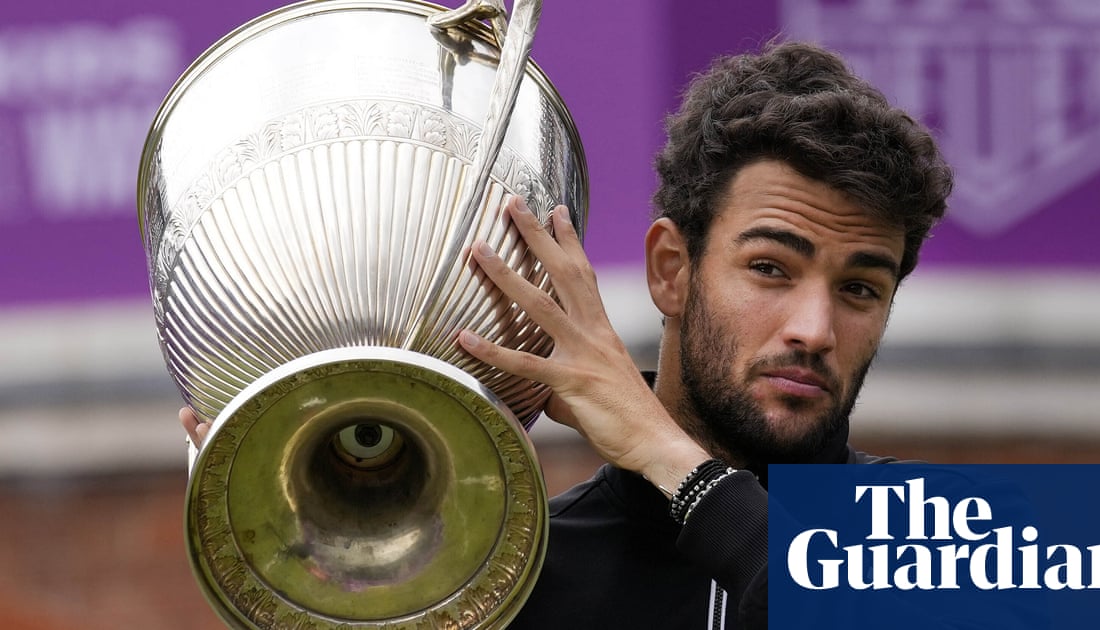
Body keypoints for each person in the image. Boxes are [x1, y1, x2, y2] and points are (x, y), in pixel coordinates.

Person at [182, 41, 952, 629]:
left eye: (859, 289)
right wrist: (303, 586)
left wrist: (669, 459)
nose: (815, 329)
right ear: (671, 271)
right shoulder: (511, 585)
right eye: (771, 269)